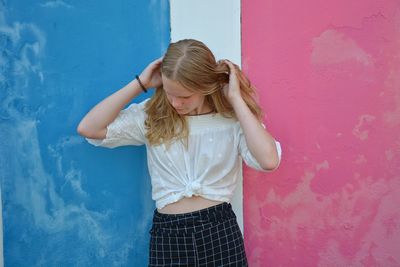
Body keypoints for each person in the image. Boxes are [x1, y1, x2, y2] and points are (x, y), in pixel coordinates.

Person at [77, 39, 282, 266]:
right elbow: (89, 128)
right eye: (169, 93)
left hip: (220, 232)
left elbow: (269, 160)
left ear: (206, 87)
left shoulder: (231, 120)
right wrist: (140, 84)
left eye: (184, 96)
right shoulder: (152, 117)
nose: (176, 103)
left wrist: (235, 99)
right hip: (168, 235)